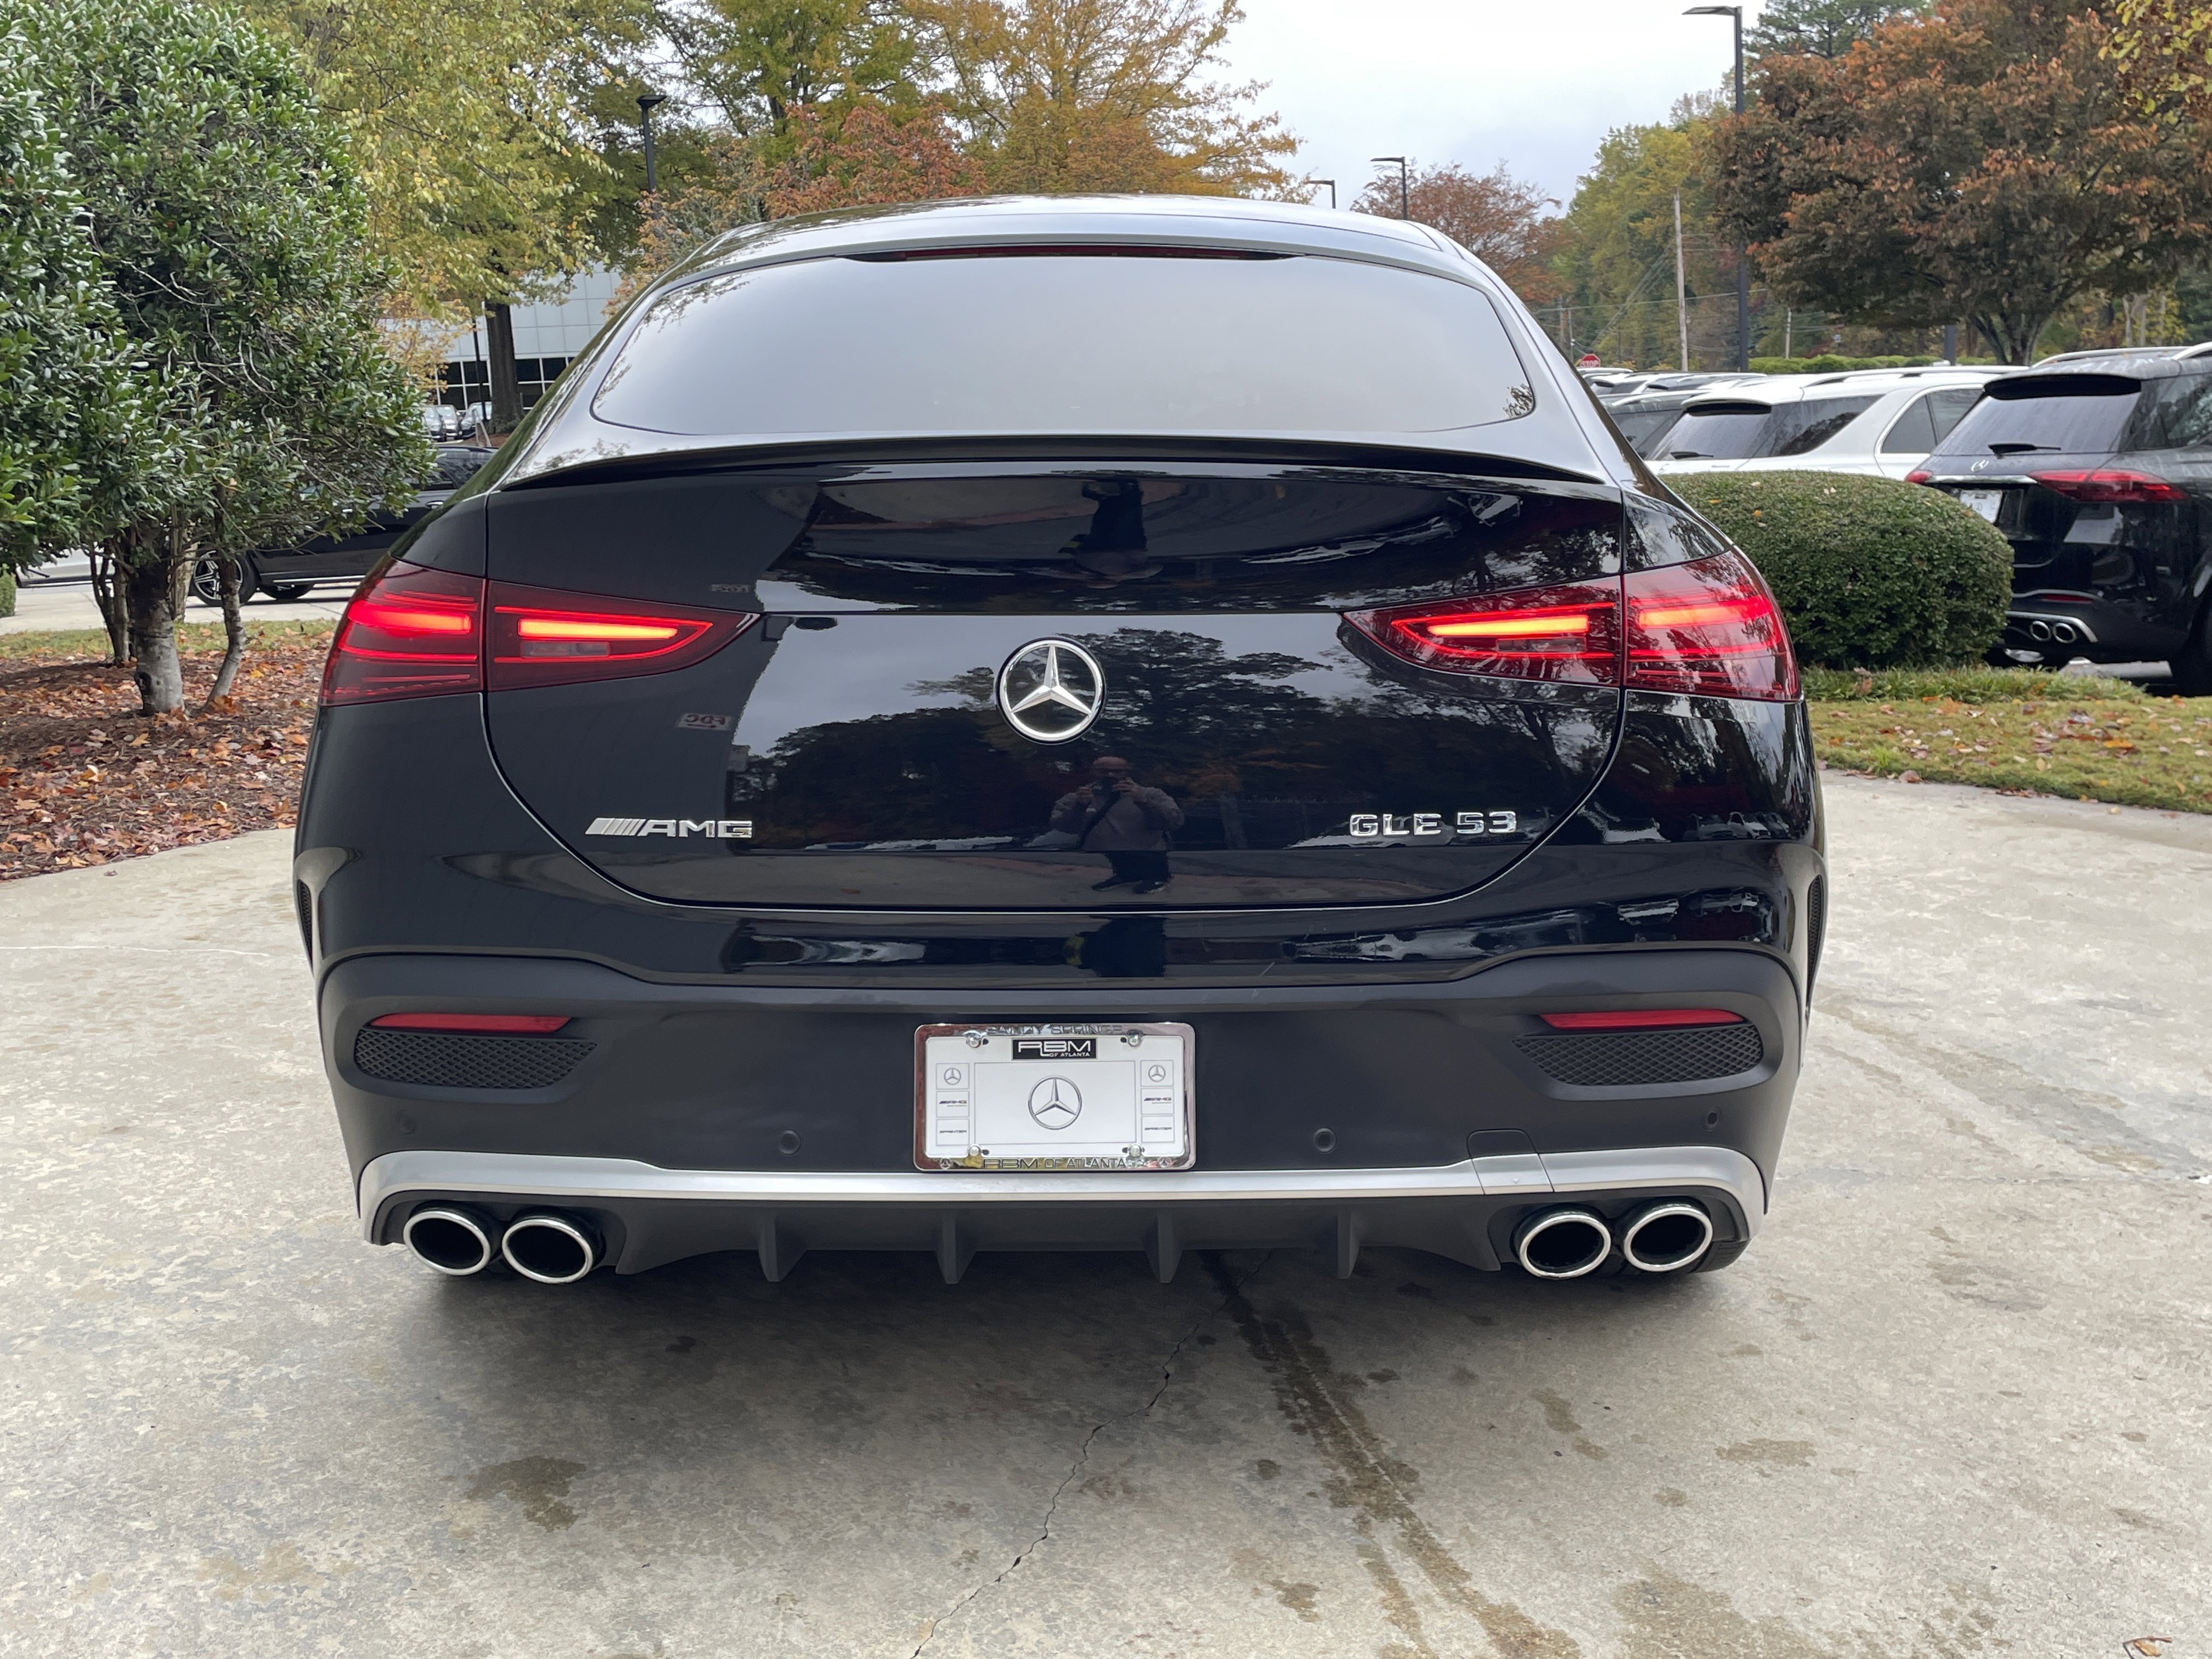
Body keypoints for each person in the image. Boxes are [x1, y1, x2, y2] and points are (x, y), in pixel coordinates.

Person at [1049, 756, 1184, 894]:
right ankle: (1123, 876)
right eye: (1103, 771)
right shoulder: (1079, 797)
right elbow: (1062, 827)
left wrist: (1144, 802)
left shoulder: (1151, 794)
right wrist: (1079, 807)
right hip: (1098, 867)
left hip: (1150, 868)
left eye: (1118, 772)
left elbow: (1174, 822)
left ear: (1127, 773)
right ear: (1093, 772)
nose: (1110, 776)